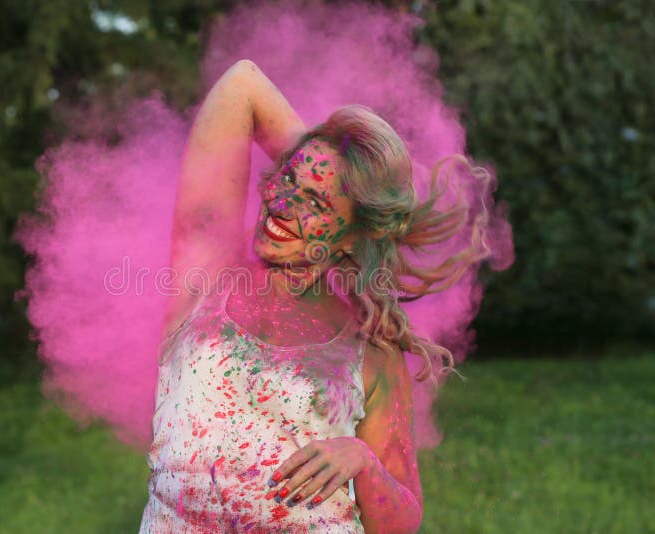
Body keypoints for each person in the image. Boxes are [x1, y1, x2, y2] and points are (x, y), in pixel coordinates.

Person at [139, 59, 488, 533]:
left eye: (316, 203)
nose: (282, 206)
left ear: (353, 234)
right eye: (288, 180)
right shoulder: (204, 279)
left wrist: (363, 461)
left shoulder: (370, 352)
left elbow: (402, 522)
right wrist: (330, 164)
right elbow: (242, 84)